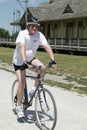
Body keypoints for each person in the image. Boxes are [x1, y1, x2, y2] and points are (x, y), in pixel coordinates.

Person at [12, 16, 57, 118]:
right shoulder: (22, 34)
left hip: (31, 58)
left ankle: (33, 89)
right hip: (19, 61)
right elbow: (22, 47)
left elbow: (47, 46)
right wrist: (24, 61)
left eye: (37, 26)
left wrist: (52, 60)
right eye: (33, 26)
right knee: (22, 84)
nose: (35, 28)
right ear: (28, 26)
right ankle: (18, 107)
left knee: (42, 68)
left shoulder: (39, 35)